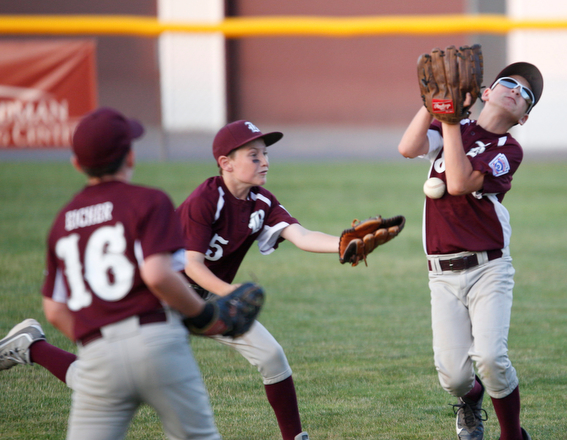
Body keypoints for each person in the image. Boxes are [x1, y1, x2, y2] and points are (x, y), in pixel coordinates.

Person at [1, 117, 401, 440]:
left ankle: (295, 438)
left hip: (204, 302)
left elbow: (299, 234)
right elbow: (190, 265)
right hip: (161, 303)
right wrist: (231, 296)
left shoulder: (261, 201)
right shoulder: (204, 200)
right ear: (225, 162)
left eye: (265, 153)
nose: (264, 161)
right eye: (252, 154)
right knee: (98, 379)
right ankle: (31, 347)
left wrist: (342, 244)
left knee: (271, 355)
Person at [0, 107, 222, 440]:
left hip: (97, 351)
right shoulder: (149, 200)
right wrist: (204, 314)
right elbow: (158, 274)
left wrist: (100, 339)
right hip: (156, 341)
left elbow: (54, 310)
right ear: (130, 157)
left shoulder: (62, 223)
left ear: (76, 164)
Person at [398, 62, 544, 440]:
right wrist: (433, 103)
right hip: (442, 273)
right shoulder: (457, 126)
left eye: (524, 93)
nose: (514, 90)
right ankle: (471, 398)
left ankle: (512, 434)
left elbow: (460, 183)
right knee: (454, 376)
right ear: (485, 92)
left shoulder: (508, 149)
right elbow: (408, 147)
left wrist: (449, 122)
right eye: (508, 82)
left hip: (488, 268)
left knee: (492, 359)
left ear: (524, 117)